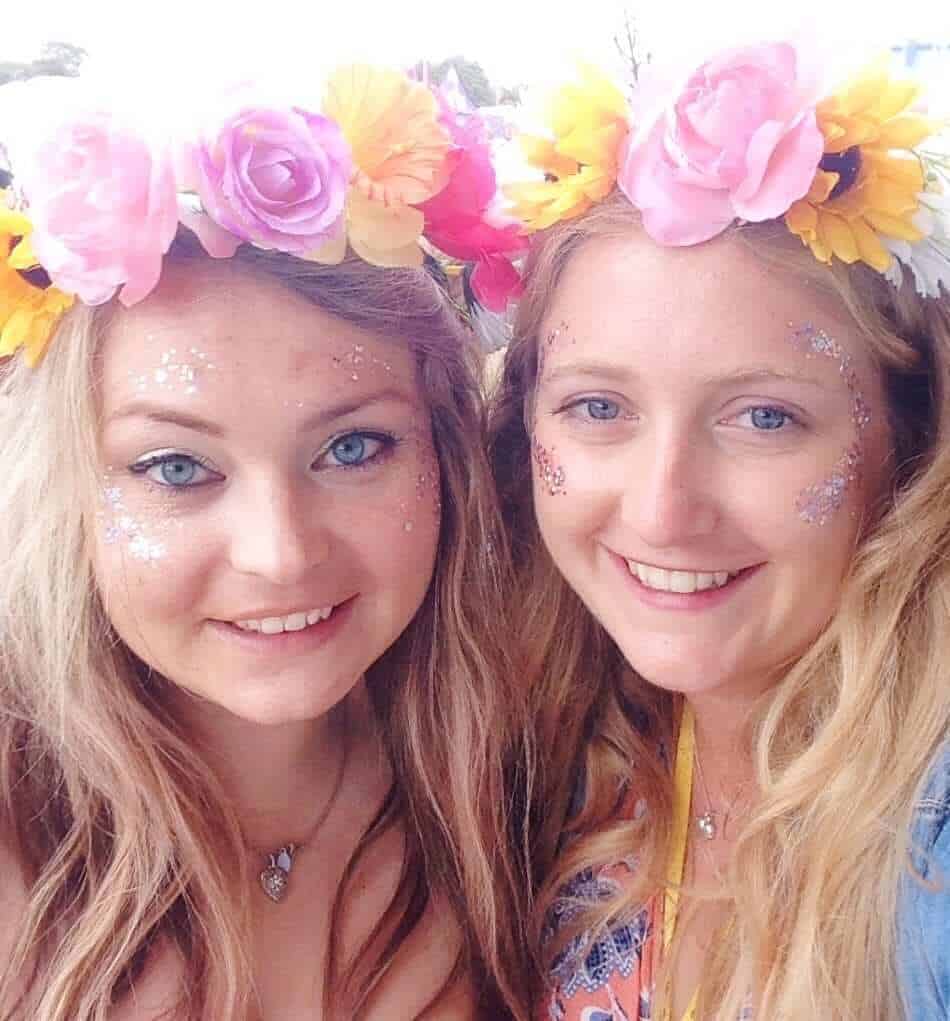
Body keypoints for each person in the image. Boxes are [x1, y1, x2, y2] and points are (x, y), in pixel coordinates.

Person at [0, 66, 530, 1020]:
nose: (279, 554)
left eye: (352, 447)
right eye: (176, 468)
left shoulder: (520, 780)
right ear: (67, 486)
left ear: (445, 452)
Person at [491, 43, 950, 1020]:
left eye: (763, 419)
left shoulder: (926, 841)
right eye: (598, 408)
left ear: (908, 443)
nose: (661, 509)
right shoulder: (566, 743)